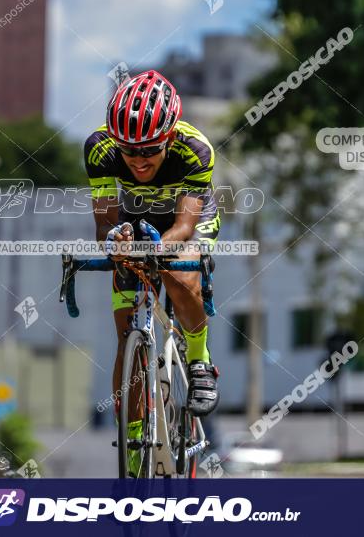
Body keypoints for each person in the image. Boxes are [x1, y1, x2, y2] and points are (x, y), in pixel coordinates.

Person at [83, 70, 220, 474]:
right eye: (129, 151)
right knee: (126, 334)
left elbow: (183, 227)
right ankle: (134, 444)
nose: (139, 160)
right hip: (133, 217)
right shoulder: (99, 149)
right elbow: (104, 222)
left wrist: (159, 251)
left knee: (179, 271)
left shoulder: (196, 149)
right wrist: (115, 243)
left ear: (171, 139)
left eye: (150, 150)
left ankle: (198, 361)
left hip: (185, 220)